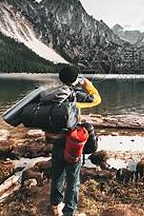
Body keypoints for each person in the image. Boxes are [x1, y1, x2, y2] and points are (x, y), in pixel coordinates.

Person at [50, 66, 101, 216]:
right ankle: (69, 212)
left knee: (57, 175)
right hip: (72, 143)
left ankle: (54, 206)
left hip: (56, 141)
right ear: (74, 79)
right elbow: (96, 99)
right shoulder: (75, 95)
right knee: (73, 180)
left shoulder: (53, 94)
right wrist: (88, 86)